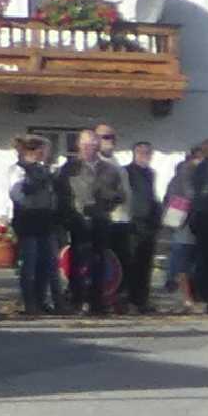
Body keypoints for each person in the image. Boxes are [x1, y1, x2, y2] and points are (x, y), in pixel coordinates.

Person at [62, 126, 125, 312]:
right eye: (85, 144)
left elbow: (121, 195)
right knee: (77, 261)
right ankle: (76, 300)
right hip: (77, 221)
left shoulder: (110, 169)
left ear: (98, 146)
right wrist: (68, 215)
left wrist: (106, 201)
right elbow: (61, 194)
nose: (88, 147)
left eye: (92, 144)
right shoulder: (69, 168)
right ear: (78, 145)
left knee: (99, 260)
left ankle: (97, 301)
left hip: (100, 219)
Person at [8, 136, 66, 316]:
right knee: (29, 266)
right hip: (28, 222)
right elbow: (17, 195)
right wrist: (35, 201)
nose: (46, 153)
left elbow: (51, 196)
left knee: (48, 265)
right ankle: (29, 303)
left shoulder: (43, 170)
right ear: (33, 150)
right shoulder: (18, 170)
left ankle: (42, 301)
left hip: (46, 222)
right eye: (43, 150)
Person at [158, 143, 202, 309]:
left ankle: (174, 282)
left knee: (181, 251)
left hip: (179, 217)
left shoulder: (181, 172)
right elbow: (191, 194)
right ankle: (178, 288)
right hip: (185, 217)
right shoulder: (188, 172)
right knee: (183, 253)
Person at [120, 141, 159, 312]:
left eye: (147, 152)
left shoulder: (150, 173)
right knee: (131, 262)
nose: (144, 155)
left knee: (145, 263)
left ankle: (142, 300)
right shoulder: (126, 171)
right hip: (132, 223)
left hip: (149, 223)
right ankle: (128, 299)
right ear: (134, 154)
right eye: (141, 152)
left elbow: (151, 196)